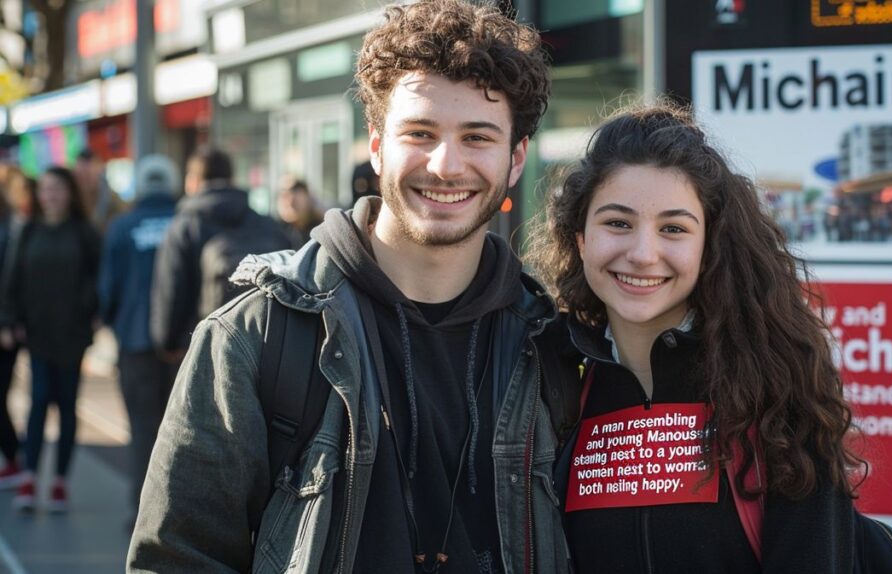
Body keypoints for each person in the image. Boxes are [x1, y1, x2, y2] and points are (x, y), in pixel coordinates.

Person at [128, 1, 569, 572]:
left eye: (478, 137)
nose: (444, 164)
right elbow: (177, 560)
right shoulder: (252, 338)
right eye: (420, 132)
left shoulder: (552, 346)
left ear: (516, 159)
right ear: (377, 144)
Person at [527, 102, 860, 573]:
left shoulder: (775, 387)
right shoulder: (545, 383)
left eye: (674, 229)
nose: (643, 254)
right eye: (618, 223)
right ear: (580, 238)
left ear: (708, 247)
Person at [0, 166, 101, 512]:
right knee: (39, 401)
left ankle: (59, 481)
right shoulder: (28, 232)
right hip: (38, 332)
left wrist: (94, 312)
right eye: (44, 189)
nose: (49, 195)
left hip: (72, 334)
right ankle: (29, 477)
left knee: (68, 405)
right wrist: (10, 320)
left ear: (69, 193)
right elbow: (11, 279)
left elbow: (99, 279)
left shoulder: (84, 233)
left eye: (56, 189)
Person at [149, 146, 290, 362]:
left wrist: (167, 341)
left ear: (194, 181)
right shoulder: (266, 224)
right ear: (232, 179)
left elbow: (171, 288)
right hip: (266, 346)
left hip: (203, 348)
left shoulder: (184, 227)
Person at [97, 154, 180, 521]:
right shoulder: (186, 222)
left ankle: (145, 511)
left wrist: (118, 327)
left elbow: (108, 290)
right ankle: (179, 512)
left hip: (135, 343)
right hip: (183, 347)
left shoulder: (122, 227)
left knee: (143, 428)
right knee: (184, 430)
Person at [0, 166, 32, 488]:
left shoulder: (13, 228)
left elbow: (12, 281)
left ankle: (15, 456)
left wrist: (8, 321)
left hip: (5, 330)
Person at [74, 148, 126, 234]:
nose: (84, 180)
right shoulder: (72, 200)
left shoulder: (114, 200)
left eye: (88, 175)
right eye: (80, 175)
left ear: (101, 172)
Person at [276, 177, 324, 248]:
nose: (289, 201)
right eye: (283, 193)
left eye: (294, 191)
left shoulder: (322, 230)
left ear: (307, 195)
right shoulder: (273, 232)